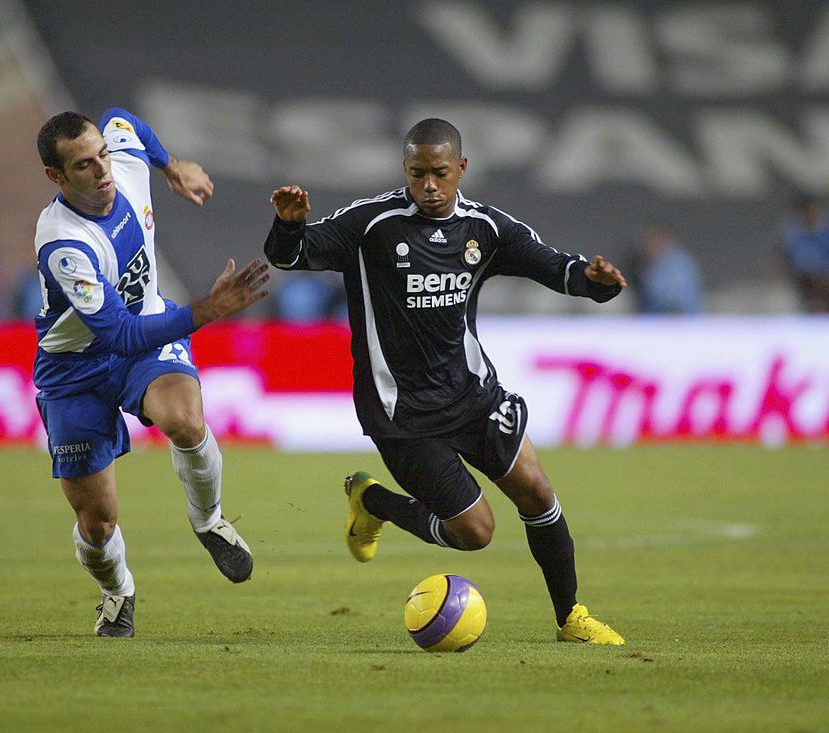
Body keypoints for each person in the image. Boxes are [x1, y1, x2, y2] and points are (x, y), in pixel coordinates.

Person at [264, 118, 628, 645]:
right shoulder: (372, 225)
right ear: (405, 171)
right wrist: (291, 225)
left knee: (538, 492)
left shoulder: (487, 228)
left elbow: (555, 269)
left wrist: (594, 284)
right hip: (403, 413)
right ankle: (375, 503)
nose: (428, 186)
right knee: (474, 533)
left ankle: (571, 617)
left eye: (439, 173)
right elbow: (289, 256)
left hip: (473, 395)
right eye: (417, 174)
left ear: (461, 168)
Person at [34, 108, 269, 637]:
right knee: (98, 523)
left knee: (185, 420)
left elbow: (124, 120)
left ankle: (209, 521)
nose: (102, 170)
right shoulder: (65, 245)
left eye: (101, 155)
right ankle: (118, 593)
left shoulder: (123, 161)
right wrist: (207, 310)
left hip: (147, 331)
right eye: (83, 166)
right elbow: (116, 335)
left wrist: (172, 166)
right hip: (76, 369)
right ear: (56, 176)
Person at [633, 223, 704, 314]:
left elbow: (672, 303)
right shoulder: (652, 265)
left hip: (678, 322)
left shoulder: (678, 265)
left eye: (653, 241)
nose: (648, 246)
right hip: (653, 320)